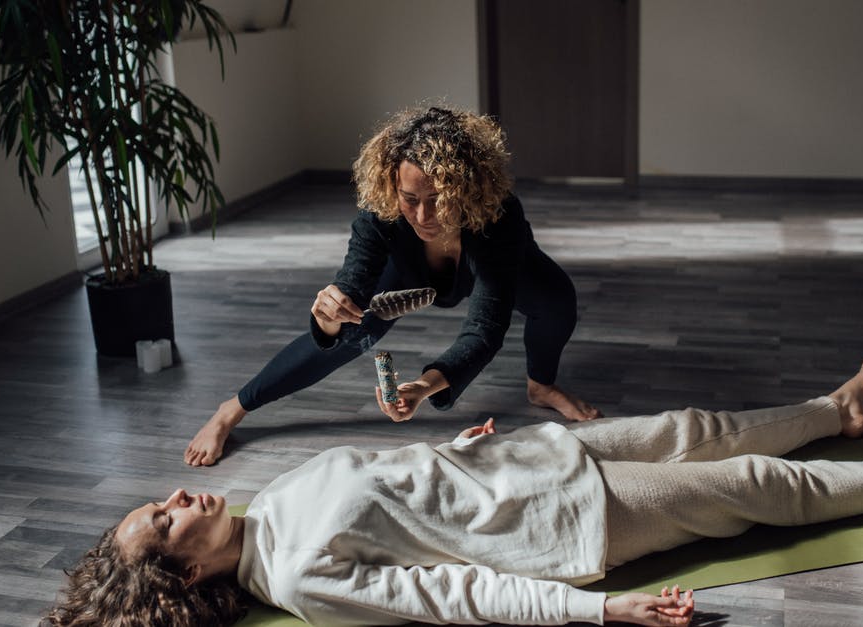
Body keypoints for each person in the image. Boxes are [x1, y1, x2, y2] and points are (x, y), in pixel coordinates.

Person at [49, 354, 863, 626]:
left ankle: (836, 411)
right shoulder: (302, 578)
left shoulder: (264, 506)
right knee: (754, 484)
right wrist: (600, 615)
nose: (181, 499)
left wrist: (465, 444)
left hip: (525, 458)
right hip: (575, 521)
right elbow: (458, 596)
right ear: (179, 572)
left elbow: (398, 484)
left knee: (706, 429)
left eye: (166, 499)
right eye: (165, 518)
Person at [185, 105, 601, 467]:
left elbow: (486, 329)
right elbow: (352, 284)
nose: (424, 215)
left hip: (495, 262)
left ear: (467, 188)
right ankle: (232, 409)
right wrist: (330, 318)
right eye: (410, 199)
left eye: (439, 197)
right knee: (351, 331)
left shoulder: (499, 215)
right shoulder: (380, 213)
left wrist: (424, 386)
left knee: (559, 300)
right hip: (409, 273)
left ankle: (541, 385)